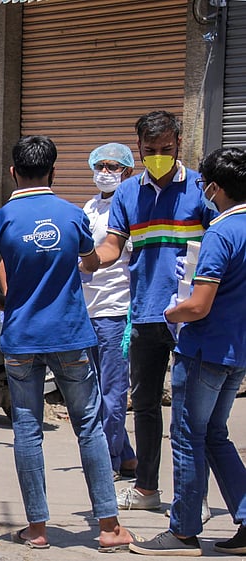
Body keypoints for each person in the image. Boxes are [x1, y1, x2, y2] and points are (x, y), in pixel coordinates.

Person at [0, 135, 134, 551]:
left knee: (27, 431)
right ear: (54, 171)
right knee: (90, 428)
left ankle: (38, 529)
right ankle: (110, 528)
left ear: (12, 172)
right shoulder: (71, 214)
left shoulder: (0, 219)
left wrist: (10, 306)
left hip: (21, 339)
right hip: (71, 336)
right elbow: (92, 260)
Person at [89, 111, 214, 510]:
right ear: (139, 148)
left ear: (179, 143)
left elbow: (221, 246)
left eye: (166, 149)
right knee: (143, 405)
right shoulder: (128, 195)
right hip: (143, 313)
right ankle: (146, 488)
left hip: (191, 316)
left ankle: (191, 498)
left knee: (188, 413)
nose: (158, 156)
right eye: (150, 150)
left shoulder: (200, 189)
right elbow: (112, 247)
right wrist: (84, 261)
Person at [129, 148, 246, 556]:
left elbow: (198, 305)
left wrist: (170, 310)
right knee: (215, 435)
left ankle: (182, 532)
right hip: (235, 353)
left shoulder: (221, 232)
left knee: (187, 437)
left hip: (203, 351)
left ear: (214, 187)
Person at [79, 143, 137, 479]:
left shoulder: (130, 206)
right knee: (94, 391)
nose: (105, 172)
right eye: (99, 165)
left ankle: (110, 462)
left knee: (113, 394)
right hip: (89, 308)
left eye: (113, 166)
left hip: (116, 309)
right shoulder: (90, 206)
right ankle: (127, 456)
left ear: (127, 171)